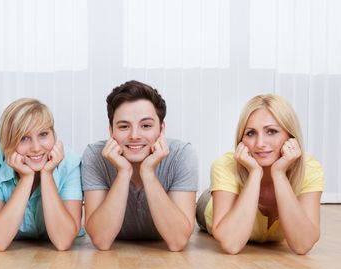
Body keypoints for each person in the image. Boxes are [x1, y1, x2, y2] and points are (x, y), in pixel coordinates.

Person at [196, 94, 324, 255]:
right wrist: (255, 173)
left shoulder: (310, 168)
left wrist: (279, 174)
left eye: (271, 131)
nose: (260, 144)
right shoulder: (225, 165)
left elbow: (302, 245)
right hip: (209, 206)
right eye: (251, 133)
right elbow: (231, 244)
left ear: (291, 136)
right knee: (212, 198)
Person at [82, 80, 198, 251]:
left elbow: (177, 241)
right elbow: (101, 241)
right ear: (111, 131)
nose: (134, 135)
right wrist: (123, 173)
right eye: (123, 126)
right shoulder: (94, 155)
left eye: (146, 126)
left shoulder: (181, 155)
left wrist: (148, 173)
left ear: (162, 129)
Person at [0, 98, 82, 251]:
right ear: (8, 142)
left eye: (43, 134)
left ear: (54, 135)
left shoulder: (70, 162)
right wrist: (26, 178)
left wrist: (47, 174)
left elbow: (63, 241)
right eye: (24, 138)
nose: (36, 148)